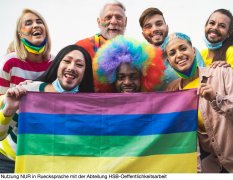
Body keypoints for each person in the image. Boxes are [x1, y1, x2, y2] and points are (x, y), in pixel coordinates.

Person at [164, 32, 233, 173]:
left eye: (183, 48)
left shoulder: (221, 72)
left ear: (194, 51)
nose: (178, 55)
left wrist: (217, 98)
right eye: (172, 53)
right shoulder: (175, 94)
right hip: (217, 165)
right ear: (169, 62)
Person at [0, 44, 94, 173]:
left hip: (44, 168)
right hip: (10, 162)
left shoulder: (86, 106)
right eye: (67, 61)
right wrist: (9, 110)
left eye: (79, 64)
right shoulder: (29, 91)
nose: (71, 67)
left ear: (85, 73)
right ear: (57, 65)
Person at [139, 7, 205, 90]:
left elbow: (205, 79)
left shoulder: (189, 53)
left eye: (159, 24)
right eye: (148, 26)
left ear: (167, 27)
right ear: (143, 34)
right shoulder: (141, 62)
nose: (155, 29)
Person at [0, 8, 54, 95]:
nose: (36, 25)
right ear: (20, 35)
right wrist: (10, 95)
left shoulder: (55, 63)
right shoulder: (10, 62)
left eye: (39, 22)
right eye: (28, 23)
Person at [93, 35, 164, 93]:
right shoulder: (106, 106)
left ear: (142, 79)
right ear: (112, 80)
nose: (127, 82)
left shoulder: (152, 107)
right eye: (121, 77)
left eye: (133, 77)